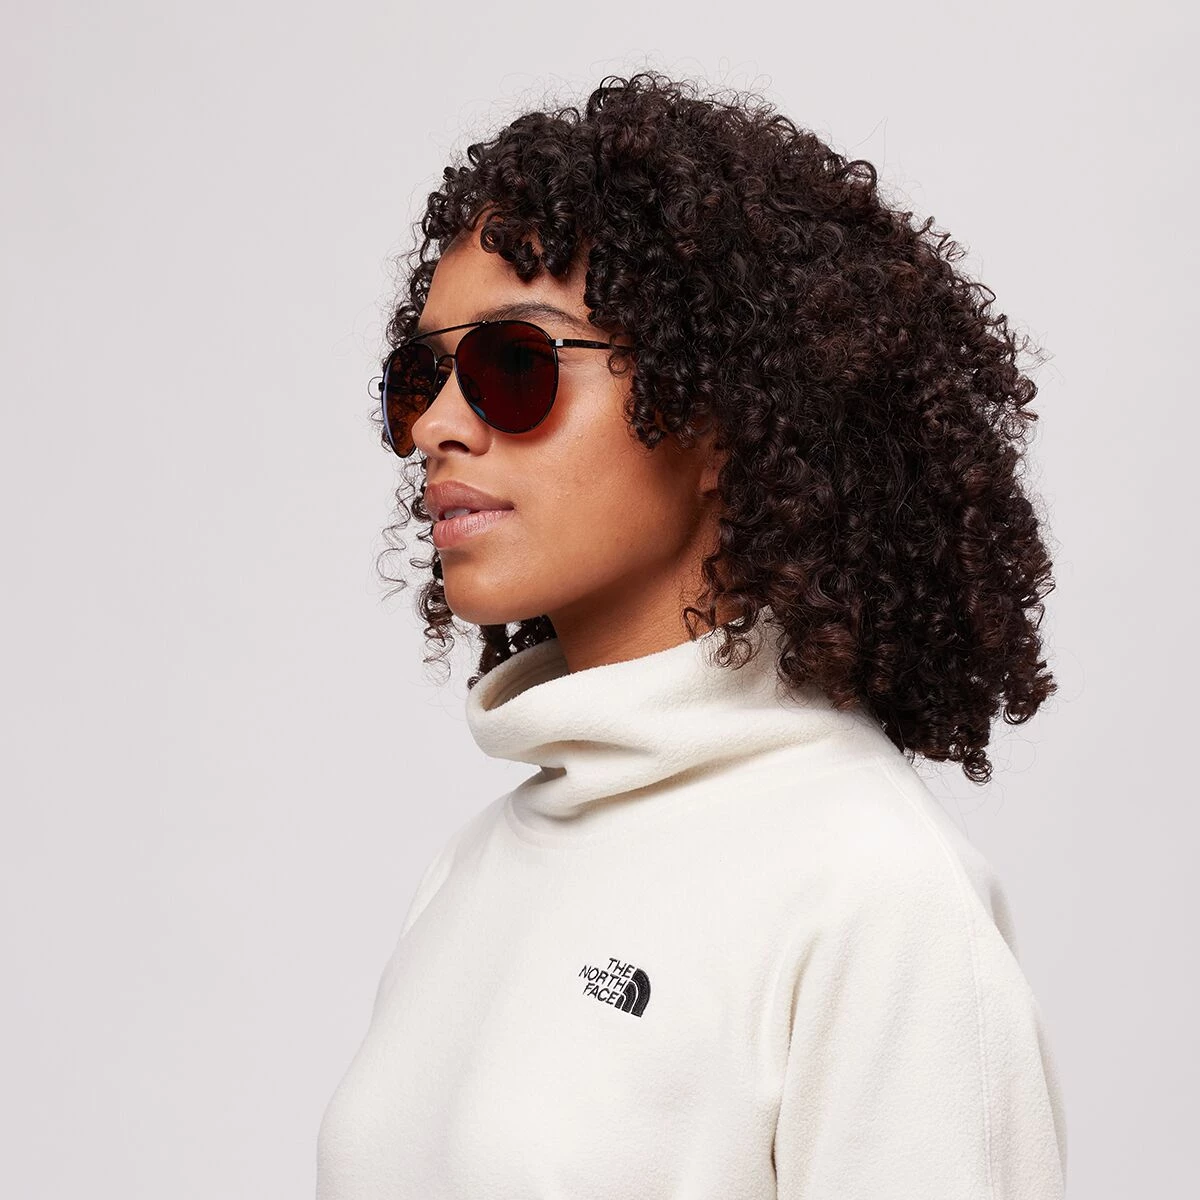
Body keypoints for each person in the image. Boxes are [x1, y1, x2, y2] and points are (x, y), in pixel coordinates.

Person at [316, 71, 1068, 1198]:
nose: (436, 424)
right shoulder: (475, 867)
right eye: (422, 377)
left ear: (714, 417)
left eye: (513, 365)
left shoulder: (871, 892)